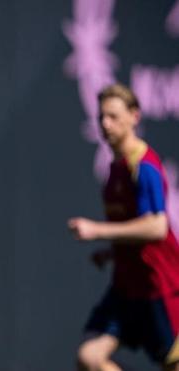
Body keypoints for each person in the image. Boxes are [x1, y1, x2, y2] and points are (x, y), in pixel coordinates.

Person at [69, 83, 179, 371]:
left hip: (158, 287)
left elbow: (156, 227)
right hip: (127, 287)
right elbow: (135, 232)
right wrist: (112, 252)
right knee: (90, 358)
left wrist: (97, 231)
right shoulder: (115, 168)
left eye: (114, 116)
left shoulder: (144, 166)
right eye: (101, 117)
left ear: (135, 116)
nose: (105, 124)